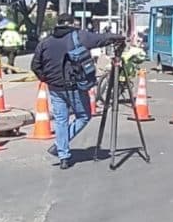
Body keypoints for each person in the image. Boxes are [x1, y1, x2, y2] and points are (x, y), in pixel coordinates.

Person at [30, 13, 123, 170]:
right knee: (84, 116)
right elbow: (100, 39)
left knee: (61, 120)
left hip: (54, 88)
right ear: (71, 23)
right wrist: (117, 37)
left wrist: (46, 79)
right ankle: (61, 145)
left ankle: (63, 155)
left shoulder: (45, 42)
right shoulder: (78, 36)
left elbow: (35, 65)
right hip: (74, 87)